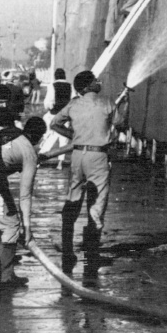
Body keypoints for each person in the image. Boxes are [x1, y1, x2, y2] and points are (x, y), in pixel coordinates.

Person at [52, 70, 128, 273]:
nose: (99, 82)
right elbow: (121, 124)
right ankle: (90, 259)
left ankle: (67, 253)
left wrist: (74, 136)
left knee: (73, 199)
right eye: (95, 80)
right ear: (88, 86)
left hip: (77, 156)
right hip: (98, 157)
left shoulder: (73, 105)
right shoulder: (106, 103)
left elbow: (54, 123)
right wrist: (125, 104)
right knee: (96, 206)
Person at [0, 108, 46, 288]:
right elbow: (25, 194)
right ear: (38, 136)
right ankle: (4, 277)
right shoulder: (27, 148)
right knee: (11, 224)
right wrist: (27, 227)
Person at [41, 68, 72, 170]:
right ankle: (60, 163)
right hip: (65, 115)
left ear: (55, 76)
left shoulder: (52, 86)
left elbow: (48, 101)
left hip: (54, 114)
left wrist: (49, 108)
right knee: (64, 139)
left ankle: (41, 158)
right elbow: (73, 100)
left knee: (49, 136)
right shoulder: (70, 86)